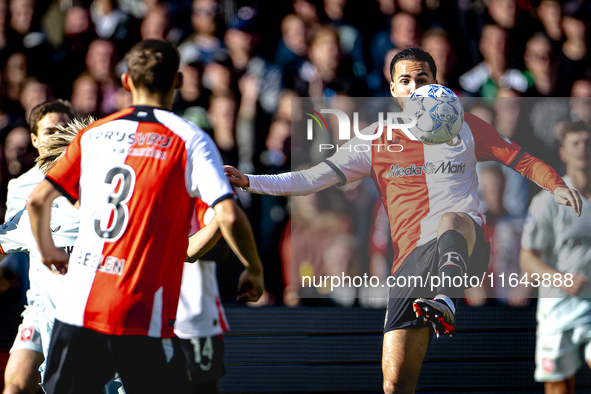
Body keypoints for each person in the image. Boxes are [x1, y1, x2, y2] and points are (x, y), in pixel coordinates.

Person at [224, 47, 582, 394]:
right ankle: (440, 300)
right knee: (395, 384)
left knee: (452, 220)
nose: (414, 86)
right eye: (405, 80)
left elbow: (522, 159)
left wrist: (556, 185)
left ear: (437, 84)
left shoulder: (468, 127)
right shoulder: (376, 139)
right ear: (394, 89)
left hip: (464, 241)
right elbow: (311, 178)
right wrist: (251, 181)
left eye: (422, 78)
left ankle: (447, 296)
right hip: (409, 264)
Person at [26, 39, 264, 394]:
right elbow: (228, 216)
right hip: (141, 311)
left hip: (78, 307)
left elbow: (37, 201)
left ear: (126, 81)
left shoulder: (92, 134)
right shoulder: (190, 139)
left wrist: (47, 250)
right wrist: (255, 270)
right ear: (178, 81)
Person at [2, 99, 75, 394]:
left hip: (91, 309)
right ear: (34, 139)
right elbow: (16, 238)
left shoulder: (97, 188)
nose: (57, 136)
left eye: (63, 129)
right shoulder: (21, 187)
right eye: (49, 131)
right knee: (16, 384)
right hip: (41, 303)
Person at [520, 121, 591, 394]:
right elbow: (527, 260)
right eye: (575, 143)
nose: (583, 149)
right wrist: (562, 280)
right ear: (563, 153)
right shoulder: (547, 201)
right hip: (557, 307)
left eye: (587, 142)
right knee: (559, 387)